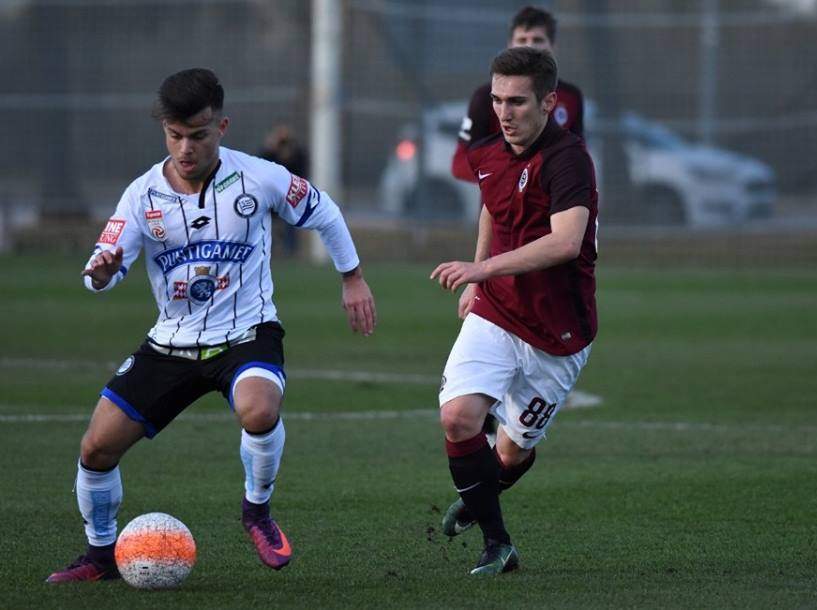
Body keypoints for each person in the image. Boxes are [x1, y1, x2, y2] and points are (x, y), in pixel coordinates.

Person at [46, 68, 377, 582]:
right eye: (175, 135)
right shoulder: (142, 196)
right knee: (96, 448)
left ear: (221, 127)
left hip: (247, 333)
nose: (185, 148)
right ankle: (100, 554)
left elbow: (324, 212)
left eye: (198, 135)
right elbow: (101, 266)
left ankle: (256, 512)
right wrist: (101, 274)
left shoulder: (259, 177)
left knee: (258, 409)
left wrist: (351, 277)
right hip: (171, 343)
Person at [431, 47, 598, 575]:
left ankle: (483, 492)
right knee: (458, 418)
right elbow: (491, 205)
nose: (504, 112)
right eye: (498, 100)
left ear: (548, 102)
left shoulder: (568, 160)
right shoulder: (489, 153)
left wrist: (481, 268)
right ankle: (497, 544)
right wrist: (479, 279)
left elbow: (566, 242)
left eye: (518, 102)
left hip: (557, 335)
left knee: (509, 454)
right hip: (497, 312)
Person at [450, 5, 584, 184]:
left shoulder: (571, 97)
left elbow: (578, 158)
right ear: (510, 46)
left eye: (537, 40)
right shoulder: (485, 97)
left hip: (554, 200)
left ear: (553, 47)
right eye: (522, 40)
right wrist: (511, 173)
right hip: (502, 201)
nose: (529, 46)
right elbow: (460, 164)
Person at [259, 123, 309, 254]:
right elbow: (261, 167)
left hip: (290, 195)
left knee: (290, 223)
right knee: (266, 222)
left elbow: (302, 172)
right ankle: (270, 247)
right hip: (271, 195)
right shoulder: (270, 153)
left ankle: (290, 250)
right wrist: (270, 150)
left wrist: (291, 156)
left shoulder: (297, 153)